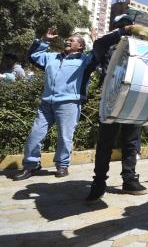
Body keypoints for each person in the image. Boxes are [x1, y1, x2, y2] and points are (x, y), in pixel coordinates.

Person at [14, 27, 115, 180]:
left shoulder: (84, 60)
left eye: (72, 40)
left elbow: (98, 56)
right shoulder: (51, 57)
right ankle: (31, 165)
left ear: (81, 46)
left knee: (64, 136)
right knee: (34, 134)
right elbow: (33, 56)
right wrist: (44, 41)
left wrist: (96, 41)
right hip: (46, 102)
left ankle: (62, 165)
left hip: (69, 103)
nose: (67, 40)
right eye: (67, 39)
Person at [86, 15, 148, 201]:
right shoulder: (106, 46)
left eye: (129, 25)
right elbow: (99, 44)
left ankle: (129, 180)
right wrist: (123, 31)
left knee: (131, 142)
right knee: (105, 144)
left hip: (132, 100)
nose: (128, 28)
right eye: (123, 26)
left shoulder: (140, 50)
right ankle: (99, 182)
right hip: (111, 99)